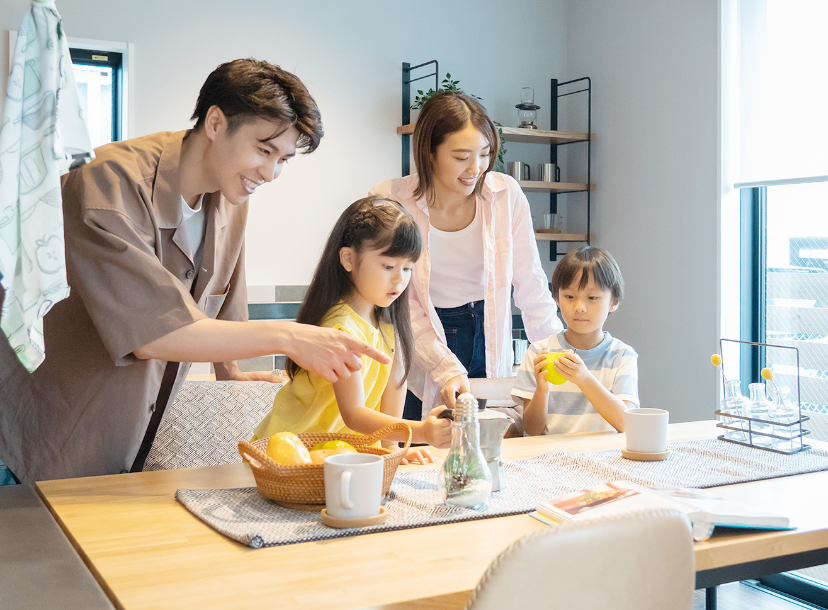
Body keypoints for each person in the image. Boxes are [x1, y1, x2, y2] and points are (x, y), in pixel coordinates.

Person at [0, 59, 390, 483]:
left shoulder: (231, 197)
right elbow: (153, 334)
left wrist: (234, 372)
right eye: (264, 150)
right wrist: (290, 336)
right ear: (216, 122)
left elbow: (225, 299)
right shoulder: (106, 184)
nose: (271, 173)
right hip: (31, 435)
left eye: (284, 160)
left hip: (120, 441)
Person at [370, 91, 563, 420]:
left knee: (486, 450)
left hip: (487, 331)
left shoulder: (505, 195)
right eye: (461, 157)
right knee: (421, 450)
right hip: (420, 340)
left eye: (485, 154)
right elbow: (399, 301)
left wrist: (557, 352)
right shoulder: (390, 201)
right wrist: (444, 366)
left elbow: (530, 282)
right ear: (429, 152)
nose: (476, 169)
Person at [253, 197, 451, 460]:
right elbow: (354, 413)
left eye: (407, 268)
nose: (399, 279)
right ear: (348, 259)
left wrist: (393, 451)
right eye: (388, 266)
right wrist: (422, 433)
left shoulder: (391, 330)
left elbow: (391, 398)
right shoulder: (340, 329)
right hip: (288, 454)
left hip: (340, 457)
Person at [511, 246, 639, 436]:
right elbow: (531, 430)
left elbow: (627, 424)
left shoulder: (622, 356)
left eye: (592, 297)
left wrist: (584, 379)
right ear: (556, 298)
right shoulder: (538, 352)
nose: (579, 307)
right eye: (569, 296)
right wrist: (542, 391)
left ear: (613, 302)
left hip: (604, 457)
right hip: (551, 457)